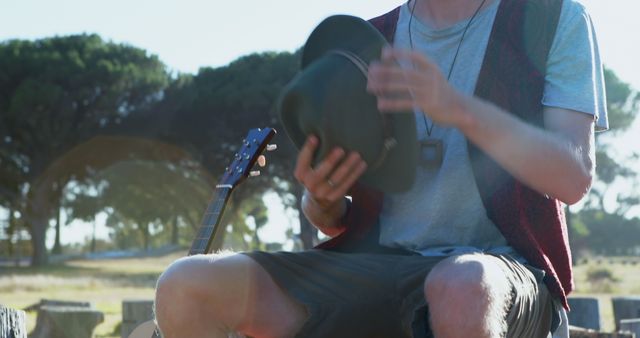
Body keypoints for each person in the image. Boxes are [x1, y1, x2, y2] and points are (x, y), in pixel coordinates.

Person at [154, 0, 608, 337]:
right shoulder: (366, 41)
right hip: (374, 266)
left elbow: (573, 176)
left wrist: (458, 108)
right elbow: (333, 222)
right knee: (186, 283)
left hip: (503, 272)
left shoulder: (551, 19)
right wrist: (324, 200)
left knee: (461, 284)